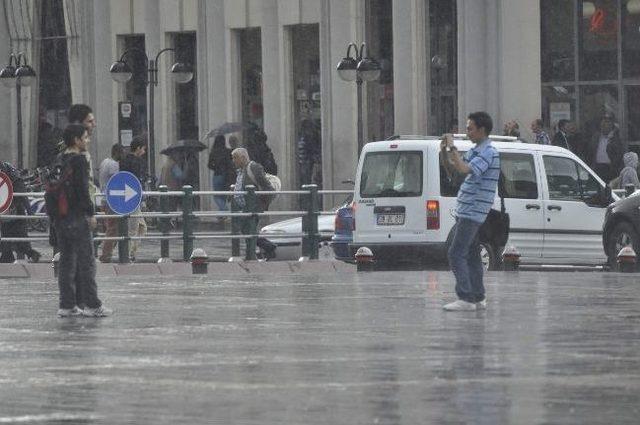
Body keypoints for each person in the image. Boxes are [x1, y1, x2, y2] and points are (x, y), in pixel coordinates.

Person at [440, 111, 500, 311]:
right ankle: (478, 296)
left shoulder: (489, 152)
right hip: (466, 208)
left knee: (455, 253)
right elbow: (456, 168)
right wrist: (445, 151)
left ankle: (465, 297)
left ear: (482, 130)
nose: (467, 132)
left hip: (473, 211)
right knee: (472, 254)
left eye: (470, 128)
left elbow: (466, 169)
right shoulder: (476, 150)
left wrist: (453, 147)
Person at [54, 124, 111, 317]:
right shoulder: (79, 160)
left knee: (67, 262)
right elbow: (82, 190)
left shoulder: (60, 159)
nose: (87, 141)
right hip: (77, 217)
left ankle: (67, 305)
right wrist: (90, 213)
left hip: (61, 218)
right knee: (87, 262)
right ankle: (92, 304)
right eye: (85, 138)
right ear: (77, 140)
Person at [230, 147, 277, 259]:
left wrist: (262, 203)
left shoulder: (253, 167)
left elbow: (267, 187)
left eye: (235, 158)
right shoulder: (241, 170)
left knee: (248, 230)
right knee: (246, 229)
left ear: (243, 157)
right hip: (244, 206)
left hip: (253, 206)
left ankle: (262, 250)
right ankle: (259, 251)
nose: (233, 161)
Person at [0, 162, 41, 263]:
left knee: (19, 238)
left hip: (16, 212)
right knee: (10, 237)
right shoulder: (12, 177)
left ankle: (28, 255)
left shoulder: (15, 179)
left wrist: (30, 213)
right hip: (7, 211)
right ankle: (8, 257)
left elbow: (23, 197)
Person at [119, 135, 148, 262]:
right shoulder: (136, 162)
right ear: (138, 148)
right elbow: (136, 180)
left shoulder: (124, 160)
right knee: (134, 227)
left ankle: (131, 251)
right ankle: (129, 253)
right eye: (143, 149)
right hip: (133, 197)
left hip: (128, 196)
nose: (144, 152)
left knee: (141, 226)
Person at [98, 144, 124, 263]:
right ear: (117, 153)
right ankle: (106, 254)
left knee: (110, 227)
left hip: (103, 198)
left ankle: (106, 251)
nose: (123, 156)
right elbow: (116, 181)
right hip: (111, 199)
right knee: (113, 228)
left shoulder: (104, 162)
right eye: (122, 153)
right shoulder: (114, 165)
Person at [588, 112, 626, 183]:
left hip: (610, 169)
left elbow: (619, 154)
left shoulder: (616, 138)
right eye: (602, 122)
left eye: (607, 122)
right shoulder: (596, 137)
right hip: (597, 168)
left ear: (612, 125)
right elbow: (590, 152)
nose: (604, 125)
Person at [207, 135, 235, 213]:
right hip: (226, 176)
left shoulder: (213, 152)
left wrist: (215, 166)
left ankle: (223, 209)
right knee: (223, 194)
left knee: (217, 195)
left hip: (217, 175)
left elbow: (209, 165)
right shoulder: (227, 151)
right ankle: (222, 214)